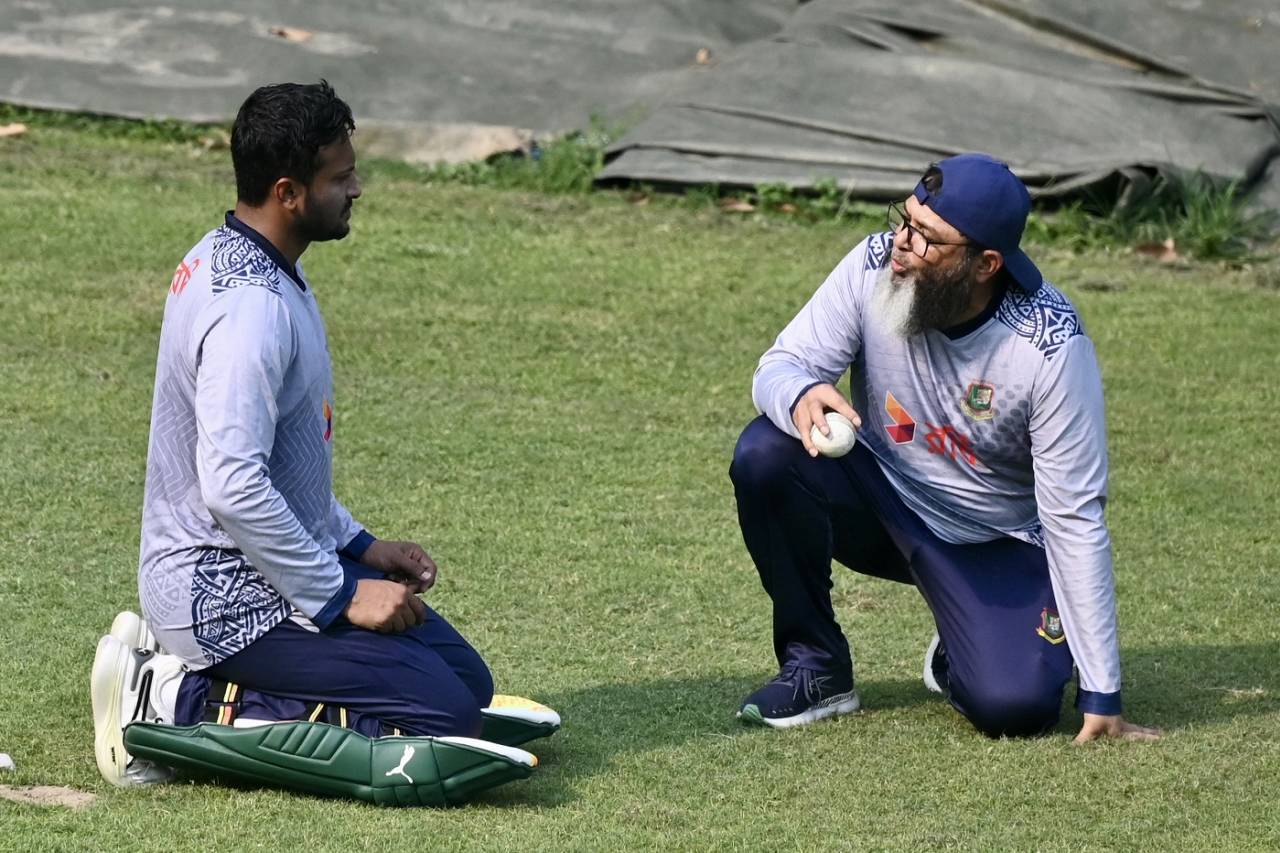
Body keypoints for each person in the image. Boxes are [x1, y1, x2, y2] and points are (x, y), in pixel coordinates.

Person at [91, 81, 554, 792]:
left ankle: (198, 672)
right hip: (224, 598)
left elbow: (282, 467)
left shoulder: (243, 258)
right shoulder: (249, 314)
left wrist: (365, 547)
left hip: (265, 570)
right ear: (289, 191)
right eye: (341, 176)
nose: (357, 188)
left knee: (467, 680)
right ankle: (172, 695)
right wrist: (343, 592)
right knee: (445, 711)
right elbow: (233, 485)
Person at [730, 153, 1159, 741]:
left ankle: (962, 650)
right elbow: (779, 366)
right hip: (886, 504)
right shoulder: (876, 264)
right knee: (766, 453)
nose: (900, 244)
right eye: (902, 220)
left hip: (996, 543)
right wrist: (801, 391)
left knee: (1016, 710)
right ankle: (817, 666)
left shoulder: (1051, 347)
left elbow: (1074, 517)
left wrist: (1102, 692)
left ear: (985, 264)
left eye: (926, 238)